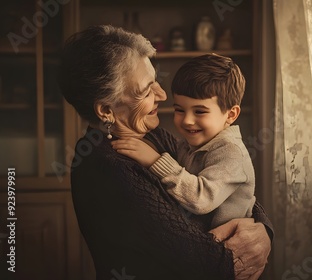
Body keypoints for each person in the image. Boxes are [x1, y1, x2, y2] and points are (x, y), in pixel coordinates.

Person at [59, 25, 272, 280]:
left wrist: (264, 231)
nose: (161, 94)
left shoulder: (151, 135)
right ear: (106, 110)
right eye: (146, 90)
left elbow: (225, 186)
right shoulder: (107, 169)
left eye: (156, 81)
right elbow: (204, 262)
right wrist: (254, 235)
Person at [111, 53, 255, 230]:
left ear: (231, 114)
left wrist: (155, 161)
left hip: (229, 249)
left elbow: (201, 199)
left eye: (200, 112)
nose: (187, 120)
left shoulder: (231, 153)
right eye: (179, 110)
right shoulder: (188, 144)